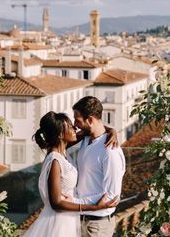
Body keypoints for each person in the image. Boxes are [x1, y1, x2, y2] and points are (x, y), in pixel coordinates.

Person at [23, 111, 119, 237]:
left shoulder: (62, 149)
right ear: (60, 135)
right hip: (58, 222)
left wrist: (111, 130)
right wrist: (94, 207)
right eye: (70, 127)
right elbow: (56, 203)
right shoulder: (55, 161)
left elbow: (89, 130)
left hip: (68, 218)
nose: (75, 128)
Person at [72, 96, 126, 237]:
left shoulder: (110, 151)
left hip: (97, 226)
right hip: (80, 218)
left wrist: (73, 202)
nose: (75, 125)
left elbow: (112, 196)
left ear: (90, 120)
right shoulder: (85, 139)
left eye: (77, 120)